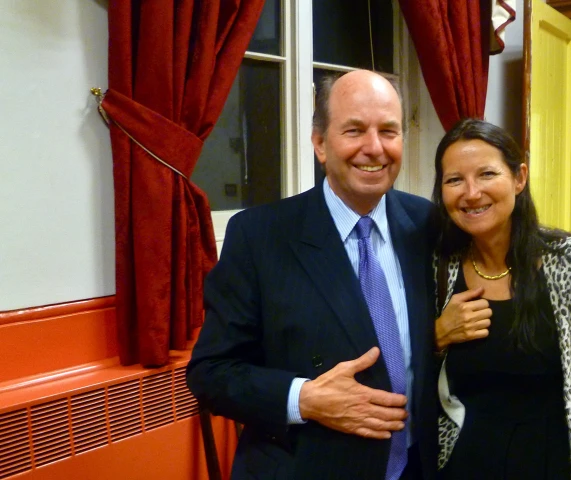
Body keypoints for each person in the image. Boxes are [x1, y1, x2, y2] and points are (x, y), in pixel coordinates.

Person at [187, 70, 437, 480]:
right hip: (307, 466)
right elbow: (211, 373)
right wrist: (305, 399)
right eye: (354, 130)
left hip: (416, 466)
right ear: (320, 143)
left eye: (388, 131)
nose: (374, 148)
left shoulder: (425, 223)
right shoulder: (260, 235)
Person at [431, 119, 571, 479]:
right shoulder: (438, 267)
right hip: (464, 457)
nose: (471, 193)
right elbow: (414, 370)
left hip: (548, 459)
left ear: (519, 178)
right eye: (454, 180)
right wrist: (438, 336)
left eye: (487, 174)